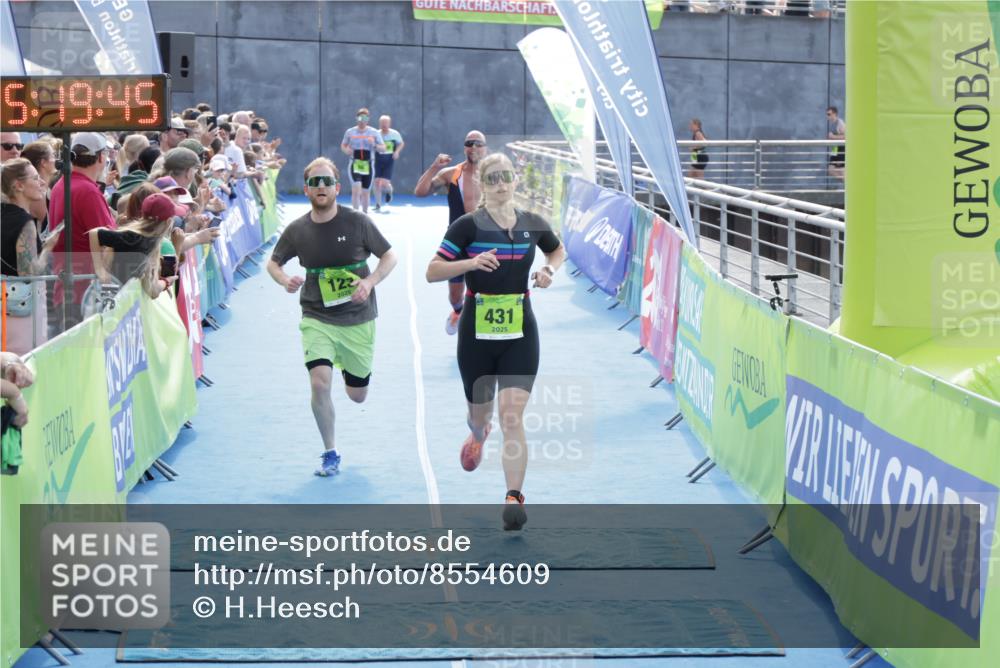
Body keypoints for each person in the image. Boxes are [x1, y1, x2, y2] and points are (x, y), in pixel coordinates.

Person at [425, 153, 566, 530]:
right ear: (482, 185)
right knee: (481, 416)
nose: (501, 183)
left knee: (512, 416)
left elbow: (556, 249)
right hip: (476, 333)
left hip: (521, 331)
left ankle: (513, 498)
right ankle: (477, 433)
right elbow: (432, 271)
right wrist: (469, 264)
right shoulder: (466, 227)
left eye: (507, 176)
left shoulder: (533, 223)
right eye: (493, 178)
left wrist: (549, 270)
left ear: (515, 181)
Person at [266, 157, 397, 477]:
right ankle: (330, 452)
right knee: (319, 382)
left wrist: (369, 281)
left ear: (337, 188)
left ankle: (349, 368)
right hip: (316, 315)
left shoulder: (358, 222)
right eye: (314, 182)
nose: (320, 187)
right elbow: (273, 263)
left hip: (357, 317)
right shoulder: (297, 229)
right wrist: (285, 280)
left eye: (326, 182)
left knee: (357, 395)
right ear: (307, 189)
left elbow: (389, 255)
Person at [414, 130, 488, 335]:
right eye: (469, 143)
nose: (473, 147)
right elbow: (420, 192)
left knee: (487, 288)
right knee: (456, 295)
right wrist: (434, 167)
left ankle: (481, 328)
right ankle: (458, 310)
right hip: (457, 239)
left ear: (485, 148)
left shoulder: (493, 175)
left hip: (485, 240)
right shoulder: (451, 174)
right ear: (464, 147)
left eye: (478, 144)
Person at [48, 132, 117, 329]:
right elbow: (108, 242)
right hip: (87, 293)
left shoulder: (62, 185)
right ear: (101, 157)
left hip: (70, 288)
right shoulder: (87, 191)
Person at [1, 159, 62, 353]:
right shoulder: (24, 222)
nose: (42, 182)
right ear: (19, 186)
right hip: (19, 312)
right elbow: (28, 271)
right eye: (35, 178)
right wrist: (48, 248)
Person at [88, 193, 183, 299]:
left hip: (119, 297)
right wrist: (100, 270)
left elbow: (152, 290)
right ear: (168, 222)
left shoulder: (151, 240)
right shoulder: (134, 238)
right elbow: (94, 233)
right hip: (111, 297)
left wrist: (164, 280)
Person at [340, 108, 384, 214]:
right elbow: (343, 145)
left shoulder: (373, 132)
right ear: (356, 119)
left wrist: (374, 144)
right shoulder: (350, 132)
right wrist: (346, 150)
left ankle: (364, 215)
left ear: (368, 119)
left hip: (368, 164)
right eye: (360, 118)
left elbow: (383, 148)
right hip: (355, 163)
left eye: (364, 118)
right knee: (356, 190)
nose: (362, 121)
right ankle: (356, 215)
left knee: (365, 192)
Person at [373, 115, 404, 213]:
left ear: (389, 124)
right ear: (379, 124)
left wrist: (397, 152)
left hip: (389, 160)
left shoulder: (395, 134)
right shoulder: (376, 134)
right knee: (377, 182)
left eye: (386, 123)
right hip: (378, 160)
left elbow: (401, 143)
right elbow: (372, 145)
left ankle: (389, 190)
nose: (384, 125)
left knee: (384, 183)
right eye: (382, 123)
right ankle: (378, 204)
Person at [826, 106, 846, 180]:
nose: (827, 116)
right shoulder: (833, 124)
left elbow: (847, 137)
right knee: (831, 170)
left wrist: (833, 137)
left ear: (835, 114)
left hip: (841, 150)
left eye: (829, 114)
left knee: (841, 171)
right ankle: (848, 184)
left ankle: (849, 187)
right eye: (827, 114)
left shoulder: (840, 123)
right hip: (835, 150)